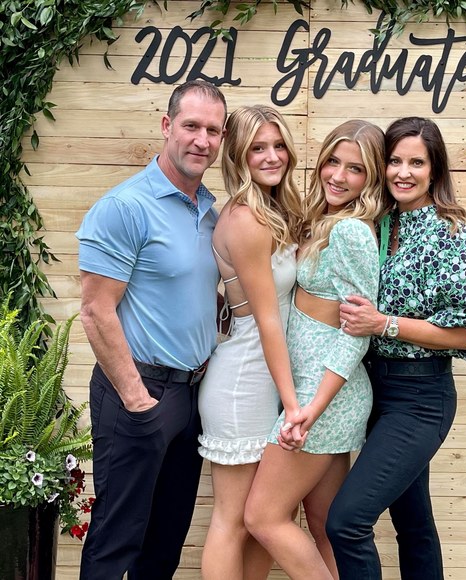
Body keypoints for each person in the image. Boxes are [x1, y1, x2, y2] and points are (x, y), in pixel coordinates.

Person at [325, 116, 466, 579]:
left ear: (435, 169)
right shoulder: (379, 224)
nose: (403, 172)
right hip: (374, 391)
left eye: (417, 163)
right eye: (394, 161)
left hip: (420, 398)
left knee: (346, 522)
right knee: (413, 525)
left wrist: (384, 324)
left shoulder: (452, 234)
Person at [75, 80, 227, 580]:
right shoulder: (125, 207)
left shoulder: (210, 212)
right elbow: (96, 311)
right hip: (138, 391)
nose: (201, 140)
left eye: (213, 130)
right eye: (191, 126)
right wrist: (138, 400)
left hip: (191, 396)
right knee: (116, 540)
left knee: (164, 543)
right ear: (167, 126)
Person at [244, 119, 387, 579]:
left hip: (323, 395)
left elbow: (356, 332)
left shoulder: (350, 232)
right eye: (333, 162)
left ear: (372, 179)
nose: (339, 176)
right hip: (318, 392)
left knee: (262, 517)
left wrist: (311, 408)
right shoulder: (322, 221)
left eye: (355, 169)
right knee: (324, 526)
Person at [197, 105, 303, 579]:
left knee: (267, 521)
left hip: (270, 378)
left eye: (278, 145)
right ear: (238, 155)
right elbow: (268, 321)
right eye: (258, 148)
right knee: (233, 521)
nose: (272, 156)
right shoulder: (245, 220)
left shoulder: (274, 212)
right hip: (243, 382)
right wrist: (293, 404)